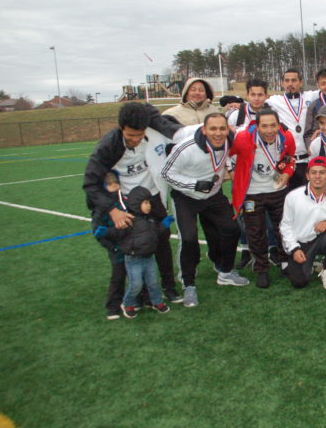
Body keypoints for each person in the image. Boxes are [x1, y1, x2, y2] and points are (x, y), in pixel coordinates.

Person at [83, 102, 183, 320]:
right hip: (127, 201)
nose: (136, 139)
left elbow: (175, 130)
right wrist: (113, 210)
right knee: (131, 246)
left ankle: (168, 286)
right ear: (121, 128)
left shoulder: (154, 132)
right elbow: (90, 183)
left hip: (154, 195)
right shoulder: (108, 146)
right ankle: (134, 295)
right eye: (130, 135)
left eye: (140, 134)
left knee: (162, 240)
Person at [161, 112, 245, 308]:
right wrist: (194, 184)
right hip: (186, 197)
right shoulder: (187, 148)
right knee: (189, 238)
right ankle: (188, 284)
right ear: (204, 129)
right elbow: (166, 173)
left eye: (222, 128)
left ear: (228, 129)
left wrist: (230, 168)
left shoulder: (228, 141)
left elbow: (228, 156)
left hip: (213, 195)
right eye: (213, 129)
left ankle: (225, 272)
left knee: (232, 229)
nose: (218, 133)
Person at [230, 108, 295, 288]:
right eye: (264, 126)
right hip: (252, 192)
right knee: (255, 232)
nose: (269, 130)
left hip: (277, 190)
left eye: (273, 125)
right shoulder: (243, 138)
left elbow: (290, 159)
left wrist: (287, 174)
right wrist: (230, 170)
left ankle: (285, 262)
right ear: (257, 126)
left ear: (278, 125)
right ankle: (261, 268)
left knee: (283, 228)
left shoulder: (286, 137)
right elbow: (225, 152)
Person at [266, 68, 326, 189]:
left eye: (294, 80)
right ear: (282, 83)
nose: (290, 84)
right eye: (287, 81)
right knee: (286, 199)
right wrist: (234, 101)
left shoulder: (311, 96)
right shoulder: (275, 101)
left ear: (301, 82)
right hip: (287, 162)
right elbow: (254, 102)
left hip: (307, 160)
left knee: (310, 198)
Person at [95, 186, 174, 318]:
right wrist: (106, 232)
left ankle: (157, 302)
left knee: (153, 282)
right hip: (133, 260)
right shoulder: (129, 220)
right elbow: (118, 232)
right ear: (137, 203)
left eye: (149, 202)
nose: (149, 206)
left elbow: (155, 233)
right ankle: (127, 303)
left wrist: (164, 226)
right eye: (146, 203)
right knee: (136, 284)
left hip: (149, 258)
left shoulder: (150, 220)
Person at [280, 156, 326, 289]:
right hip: (301, 244)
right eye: (313, 172)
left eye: (322, 172)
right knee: (299, 282)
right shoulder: (293, 197)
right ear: (307, 175)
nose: (317, 176)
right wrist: (294, 249)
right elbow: (285, 226)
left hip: (323, 240)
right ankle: (308, 263)